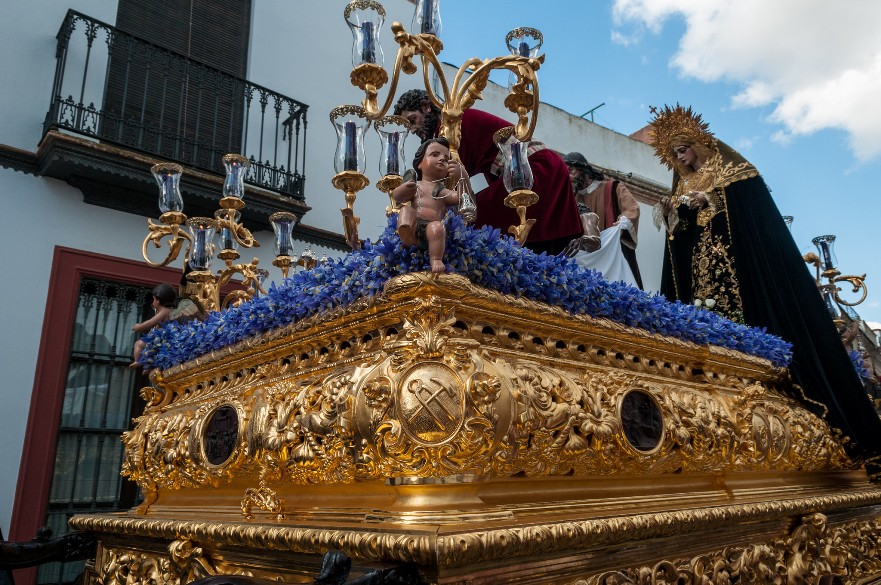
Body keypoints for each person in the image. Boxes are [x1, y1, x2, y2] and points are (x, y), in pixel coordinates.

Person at [649, 104, 881, 479]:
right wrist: (672, 213)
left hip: (737, 275)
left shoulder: (732, 172)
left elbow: (747, 217)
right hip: (701, 275)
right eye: (673, 153)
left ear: (698, 143)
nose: (679, 157)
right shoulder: (683, 184)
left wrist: (713, 202)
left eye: (683, 147)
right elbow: (680, 237)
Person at [394, 89, 582, 255]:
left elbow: (440, 182)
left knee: (466, 221)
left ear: (426, 107)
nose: (412, 129)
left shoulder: (451, 127)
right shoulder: (443, 132)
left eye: (412, 120)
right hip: (531, 170)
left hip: (534, 167)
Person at [562, 152, 644, 289]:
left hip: (610, 253)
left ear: (584, 170)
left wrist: (623, 222)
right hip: (587, 259)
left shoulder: (611, 188)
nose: (568, 175)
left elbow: (632, 208)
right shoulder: (571, 199)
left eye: (571, 170)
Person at [393, 137, 461, 273]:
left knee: (437, 228)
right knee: (406, 210)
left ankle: (436, 259)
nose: (442, 159)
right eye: (435, 155)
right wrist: (405, 188)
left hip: (431, 227)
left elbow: (460, 198)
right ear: (420, 163)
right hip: (414, 225)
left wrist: (461, 177)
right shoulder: (415, 185)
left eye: (446, 159)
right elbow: (397, 197)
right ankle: (407, 236)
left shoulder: (441, 190)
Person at [130, 283, 176, 368]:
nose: (153, 302)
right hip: (164, 340)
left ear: (158, 300)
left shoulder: (164, 311)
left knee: (138, 344)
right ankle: (148, 367)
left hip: (161, 340)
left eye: (153, 299)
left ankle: (137, 361)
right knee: (150, 351)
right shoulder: (170, 311)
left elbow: (151, 323)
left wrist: (139, 327)